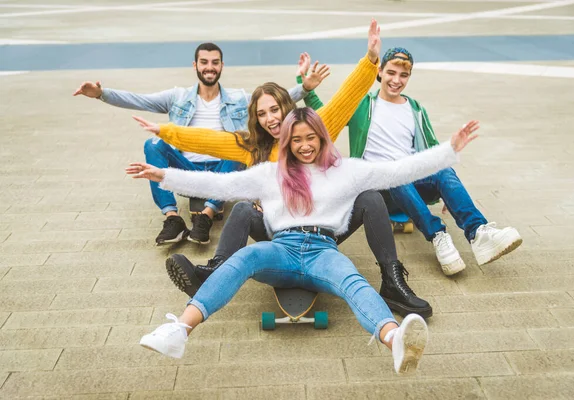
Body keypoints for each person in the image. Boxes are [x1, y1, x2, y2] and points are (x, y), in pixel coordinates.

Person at [126, 107, 480, 373]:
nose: (305, 146)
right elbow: (220, 186)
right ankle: (178, 331)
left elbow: (399, 170)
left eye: (311, 137)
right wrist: (164, 175)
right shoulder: (271, 175)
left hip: (324, 251)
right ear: (287, 143)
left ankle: (395, 339)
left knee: (354, 281)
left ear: (322, 137)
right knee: (243, 258)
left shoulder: (348, 170)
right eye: (296, 140)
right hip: (280, 249)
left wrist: (449, 149)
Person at [133, 21, 433, 318]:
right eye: (262, 114)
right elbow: (210, 140)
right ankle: (213, 273)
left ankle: (392, 282)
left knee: (370, 197)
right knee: (241, 210)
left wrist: (370, 61)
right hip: (277, 230)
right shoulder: (251, 146)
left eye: (275, 110)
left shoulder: (316, 127)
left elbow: (347, 97)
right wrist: (165, 131)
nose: (270, 119)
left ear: (287, 108)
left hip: (322, 227)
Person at [73, 42, 325, 245]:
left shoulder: (238, 98)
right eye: (204, 62)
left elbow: (274, 102)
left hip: (224, 169)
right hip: (186, 168)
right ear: (195, 65)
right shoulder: (177, 96)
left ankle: (206, 215)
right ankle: (172, 218)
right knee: (153, 143)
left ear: (221, 66)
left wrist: (304, 87)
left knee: (239, 143)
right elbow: (138, 100)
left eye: (215, 62)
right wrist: (101, 94)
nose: (209, 67)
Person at [302, 47, 522, 276]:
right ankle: (437, 235)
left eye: (403, 75)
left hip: (411, 185)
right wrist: (306, 88)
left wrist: (450, 190)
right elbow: (324, 115)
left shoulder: (415, 110)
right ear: (379, 72)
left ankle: (478, 234)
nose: (396, 80)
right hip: (378, 191)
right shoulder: (363, 105)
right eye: (391, 73)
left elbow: (433, 150)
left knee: (443, 172)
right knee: (395, 173)